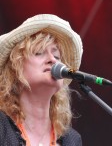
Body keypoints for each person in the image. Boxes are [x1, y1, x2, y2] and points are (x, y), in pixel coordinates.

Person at [0, 14, 83, 146]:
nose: (53, 60)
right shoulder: (2, 128)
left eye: (56, 55)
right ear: (15, 68)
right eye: (39, 52)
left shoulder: (71, 140)